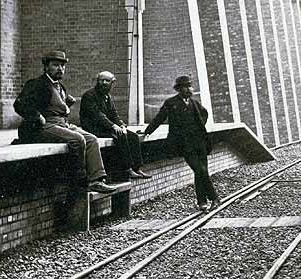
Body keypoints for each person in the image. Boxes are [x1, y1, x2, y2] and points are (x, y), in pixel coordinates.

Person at [14, 50, 118, 193]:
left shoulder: (60, 87)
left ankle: (97, 180)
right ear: (46, 67)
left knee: (92, 139)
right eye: (55, 65)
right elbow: (19, 104)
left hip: (62, 124)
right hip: (43, 127)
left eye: (62, 66)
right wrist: (36, 115)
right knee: (77, 139)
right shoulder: (37, 84)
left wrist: (66, 106)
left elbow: (57, 105)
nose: (60, 69)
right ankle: (79, 181)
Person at [143, 75, 219, 212]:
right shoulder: (170, 103)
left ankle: (202, 202)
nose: (189, 89)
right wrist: (147, 131)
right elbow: (159, 118)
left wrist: (200, 125)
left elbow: (205, 114)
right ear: (179, 89)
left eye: (190, 86)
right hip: (185, 145)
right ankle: (214, 197)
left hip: (200, 143)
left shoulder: (194, 103)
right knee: (199, 169)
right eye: (185, 87)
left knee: (200, 172)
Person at [80, 71, 150, 181]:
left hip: (105, 127)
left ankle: (137, 167)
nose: (104, 83)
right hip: (93, 128)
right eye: (101, 80)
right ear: (97, 81)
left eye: (107, 81)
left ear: (112, 83)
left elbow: (114, 114)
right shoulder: (89, 96)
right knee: (120, 135)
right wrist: (113, 126)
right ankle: (127, 169)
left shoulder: (107, 97)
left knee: (133, 136)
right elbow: (98, 115)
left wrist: (121, 125)